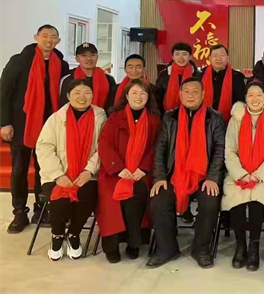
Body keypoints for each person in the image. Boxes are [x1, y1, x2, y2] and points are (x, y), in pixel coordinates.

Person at [146, 77, 225, 269]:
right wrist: (160, 177)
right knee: (158, 199)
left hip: (204, 176)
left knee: (210, 200)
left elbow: (219, 150)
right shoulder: (169, 117)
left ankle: (201, 249)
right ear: (180, 94)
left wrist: (212, 178)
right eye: (186, 92)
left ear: (203, 94)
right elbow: (160, 150)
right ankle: (167, 249)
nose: (190, 95)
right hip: (174, 175)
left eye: (195, 92)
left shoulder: (215, 118)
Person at [0, 24, 70, 233]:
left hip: (49, 125)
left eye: (53, 37)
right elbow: (4, 93)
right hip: (22, 124)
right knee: (19, 169)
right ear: (36, 38)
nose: (49, 40)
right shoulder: (19, 61)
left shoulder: (61, 64)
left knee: (45, 169)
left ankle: (42, 208)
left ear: (58, 41)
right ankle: (19, 212)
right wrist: (4, 123)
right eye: (45, 36)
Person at [36, 79, 106, 261]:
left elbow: (103, 147)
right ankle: (57, 235)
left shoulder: (100, 117)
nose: (82, 97)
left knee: (88, 196)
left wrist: (89, 171)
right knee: (59, 199)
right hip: (57, 174)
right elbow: (44, 147)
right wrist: (58, 174)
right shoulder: (56, 118)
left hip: (87, 174)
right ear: (68, 96)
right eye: (77, 93)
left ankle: (74, 234)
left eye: (87, 93)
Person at [222, 82, 264, 271]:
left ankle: (254, 247)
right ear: (245, 98)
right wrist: (241, 174)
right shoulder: (236, 119)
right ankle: (240, 245)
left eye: (259, 95)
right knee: (236, 198)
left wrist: (258, 176)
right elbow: (229, 150)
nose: (255, 99)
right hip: (238, 172)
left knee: (258, 199)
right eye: (251, 95)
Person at [96, 79, 161, 263]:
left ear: (148, 97)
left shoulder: (154, 120)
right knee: (110, 198)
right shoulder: (114, 118)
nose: (138, 97)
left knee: (139, 193)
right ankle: (111, 246)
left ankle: (134, 243)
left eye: (143, 93)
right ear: (126, 95)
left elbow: (156, 148)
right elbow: (105, 145)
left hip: (141, 172)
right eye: (134, 93)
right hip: (114, 172)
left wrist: (144, 168)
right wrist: (118, 168)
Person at [59, 42, 116, 113]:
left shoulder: (108, 79)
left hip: (101, 117)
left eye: (92, 55)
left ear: (97, 57)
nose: (89, 58)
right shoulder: (68, 79)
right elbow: (63, 105)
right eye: (84, 56)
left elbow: (112, 104)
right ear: (77, 59)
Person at [198, 44, 246, 124]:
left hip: (229, 122)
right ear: (210, 58)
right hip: (203, 121)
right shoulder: (200, 75)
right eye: (215, 56)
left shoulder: (237, 77)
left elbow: (240, 102)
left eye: (222, 55)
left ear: (227, 57)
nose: (218, 58)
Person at [155, 42, 199, 113]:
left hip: (192, 113)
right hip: (168, 114)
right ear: (173, 57)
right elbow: (158, 97)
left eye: (184, 54)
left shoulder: (197, 74)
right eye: (177, 54)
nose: (181, 58)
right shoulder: (164, 74)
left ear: (190, 56)